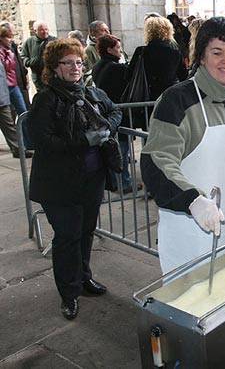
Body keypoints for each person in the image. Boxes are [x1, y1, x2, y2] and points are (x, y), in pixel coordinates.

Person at [140, 17, 225, 274]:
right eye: (217, 52)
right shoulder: (177, 100)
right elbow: (157, 160)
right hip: (191, 232)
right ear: (201, 56)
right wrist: (193, 200)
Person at [28, 38, 122, 320]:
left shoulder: (92, 93)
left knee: (85, 232)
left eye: (79, 62)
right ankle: (68, 294)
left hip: (91, 178)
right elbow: (41, 140)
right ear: (54, 67)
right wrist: (83, 140)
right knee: (68, 236)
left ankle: (83, 278)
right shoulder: (46, 98)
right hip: (58, 183)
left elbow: (116, 111)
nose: (75, 67)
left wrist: (107, 129)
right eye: (68, 62)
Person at [92, 34, 139, 194]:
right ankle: (123, 182)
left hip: (105, 112)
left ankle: (116, 181)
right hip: (117, 112)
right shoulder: (115, 68)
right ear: (110, 49)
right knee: (120, 149)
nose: (120, 50)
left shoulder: (98, 66)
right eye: (118, 47)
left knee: (113, 147)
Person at [129, 16, 188, 101]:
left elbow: (129, 75)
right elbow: (183, 76)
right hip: (169, 98)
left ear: (148, 31)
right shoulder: (175, 53)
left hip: (146, 97)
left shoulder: (141, 52)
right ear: (168, 31)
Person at [0, 21, 29, 114]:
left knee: (23, 110)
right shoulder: (3, 51)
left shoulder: (11, 47)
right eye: (9, 37)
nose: (11, 39)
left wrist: (25, 77)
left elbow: (18, 64)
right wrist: (9, 55)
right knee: (10, 113)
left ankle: (24, 128)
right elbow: (5, 68)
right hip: (5, 86)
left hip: (15, 83)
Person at [21, 21, 56, 91]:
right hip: (38, 77)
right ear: (35, 31)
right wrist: (32, 61)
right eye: (41, 30)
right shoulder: (29, 42)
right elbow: (23, 57)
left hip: (53, 76)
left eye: (46, 29)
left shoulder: (54, 41)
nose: (45, 32)